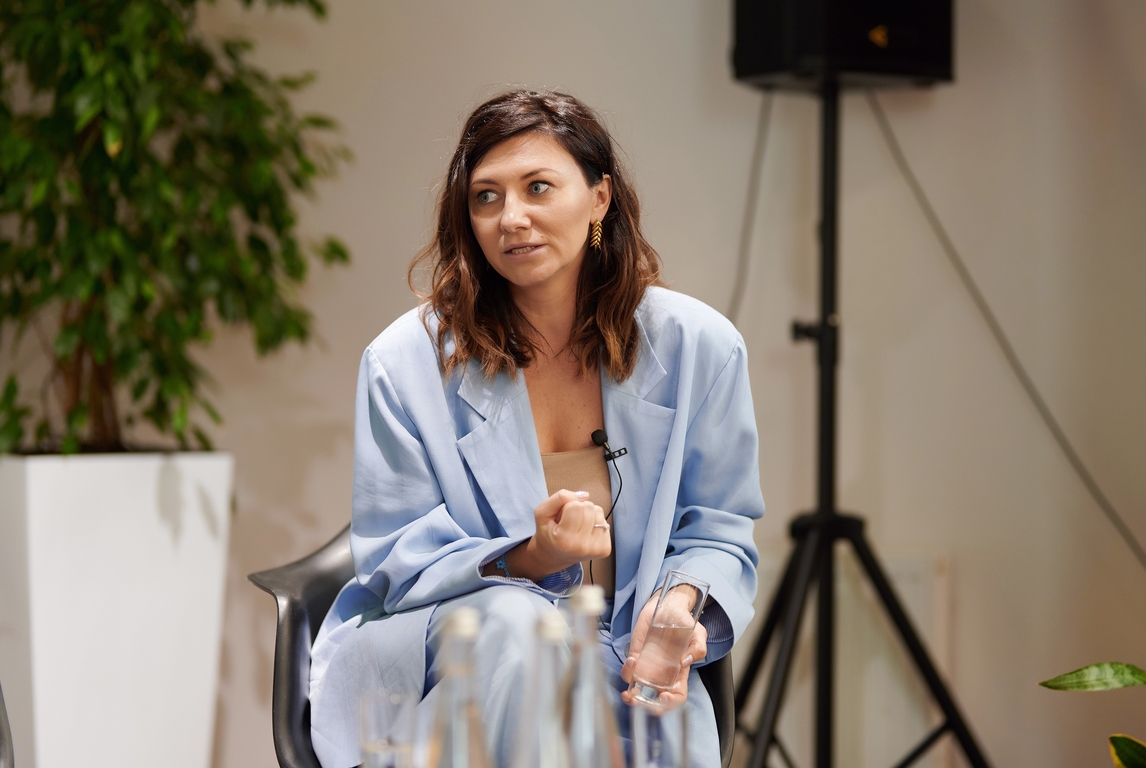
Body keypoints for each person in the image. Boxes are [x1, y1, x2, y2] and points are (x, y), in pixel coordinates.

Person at [308, 90, 764, 768]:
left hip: (621, 669)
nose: (511, 218)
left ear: (599, 198)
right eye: (485, 197)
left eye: (538, 187)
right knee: (522, 628)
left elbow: (719, 528)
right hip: (450, 659)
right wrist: (531, 556)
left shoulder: (701, 348)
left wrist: (680, 602)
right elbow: (395, 560)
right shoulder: (403, 363)